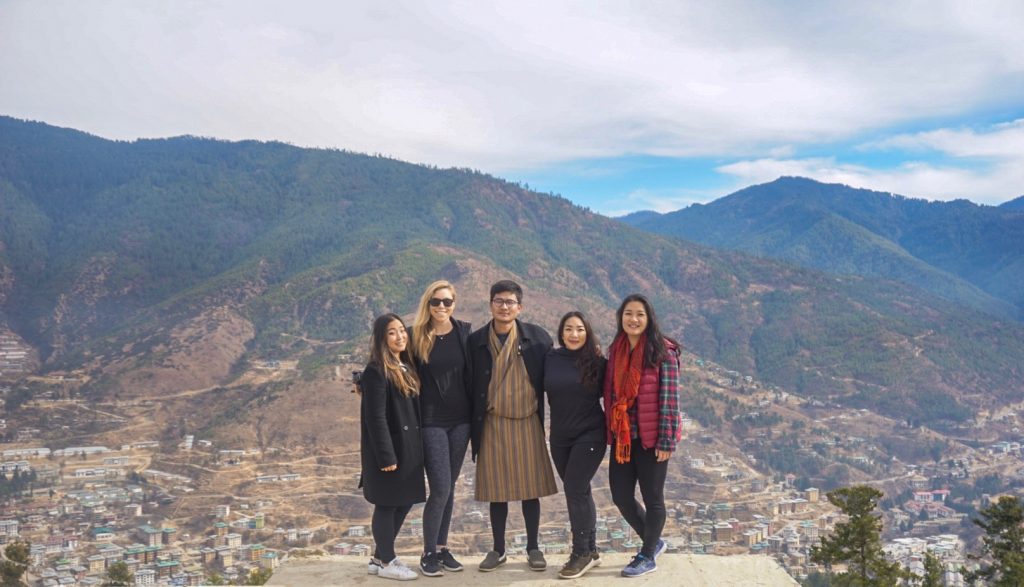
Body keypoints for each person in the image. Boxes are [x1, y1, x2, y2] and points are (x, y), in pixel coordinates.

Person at [468, 280, 557, 572]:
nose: (504, 307)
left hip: (527, 420)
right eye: (499, 301)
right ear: (490, 304)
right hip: (492, 422)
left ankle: (533, 547)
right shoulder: (477, 340)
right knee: (497, 491)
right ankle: (498, 549)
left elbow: (556, 375)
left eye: (510, 302)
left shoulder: (538, 339)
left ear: (520, 307)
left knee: (530, 489)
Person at [603, 294, 681, 578]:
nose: (633, 319)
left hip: (651, 440)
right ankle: (654, 540)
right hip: (624, 439)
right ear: (620, 317)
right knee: (621, 496)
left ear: (648, 319)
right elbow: (610, 394)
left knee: (653, 498)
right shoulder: (616, 351)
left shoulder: (663, 352)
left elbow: (670, 401)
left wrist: (666, 441)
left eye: (639, 314)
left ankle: (647, 554)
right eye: (628, 314)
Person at [407, 280, 473, 577]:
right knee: (441, 488)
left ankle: (443, 547)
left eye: (447, 301)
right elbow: (393, 369)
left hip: (461, 421)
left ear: (454, 303)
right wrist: (365, 384)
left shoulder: (464, 332)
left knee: (450, 487)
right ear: (427, 304)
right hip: (431, 421)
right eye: (436, 302)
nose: (442, 307)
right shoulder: (415, 336)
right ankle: (428, 552)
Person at [360, 313, 426, 581]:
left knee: (404, 500)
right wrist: (386, 455)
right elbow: (375, 418)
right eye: (392, 332)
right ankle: (387, 561)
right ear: (380, 338)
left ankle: (379, 556)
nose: (400, 336)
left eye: (402, 330)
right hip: (390, 451)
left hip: (408, 448)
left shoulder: (405, 366)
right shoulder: (377, 370)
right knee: (387, 504)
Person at [545, 311, 607, 579]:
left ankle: (580, 552)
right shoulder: (550, 359)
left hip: (590, 434)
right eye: (568, 329)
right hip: (559, 438)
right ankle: (591, 551)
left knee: (574, 488)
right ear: (561, 332)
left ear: (587, 332)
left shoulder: (598, 362)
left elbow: (619, 395)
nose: (573, 334)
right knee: (580, 490)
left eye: (579, 329)